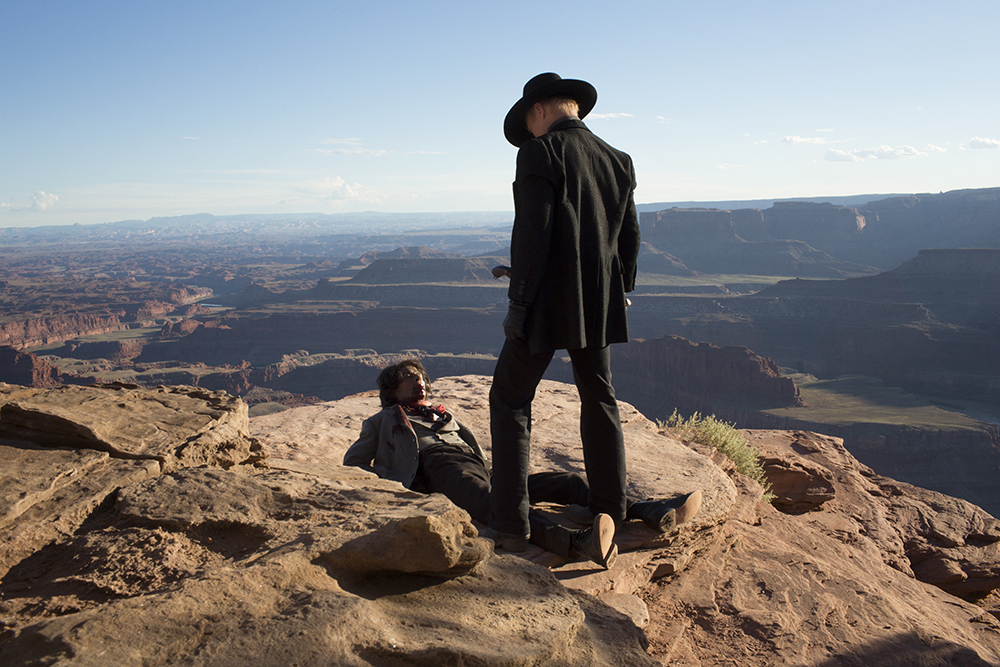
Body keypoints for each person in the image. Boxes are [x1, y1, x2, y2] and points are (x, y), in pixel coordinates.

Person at [344, 359, 702, 570]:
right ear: (393, 392)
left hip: (477, 468)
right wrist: (392, 481)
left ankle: (647, 510)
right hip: (440, 471)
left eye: (422, 380)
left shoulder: (441, 415)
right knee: (505, 508)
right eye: (411, 382)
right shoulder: (383, 420)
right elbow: (354, 462)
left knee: (565, 481)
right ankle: (579, 543)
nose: (420, 385)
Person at [488, 73, 642, 546]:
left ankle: (512, 525)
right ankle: (610, 509)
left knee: (510, 399)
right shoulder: (618, 158)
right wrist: (622, 289)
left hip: (546, 302)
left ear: (538, 111)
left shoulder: (540, 152)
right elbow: (629, 236)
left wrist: (518, 303)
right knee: (599, 397)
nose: (529, 133)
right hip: (597, 302)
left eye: (528, 124)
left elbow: (532, 234)